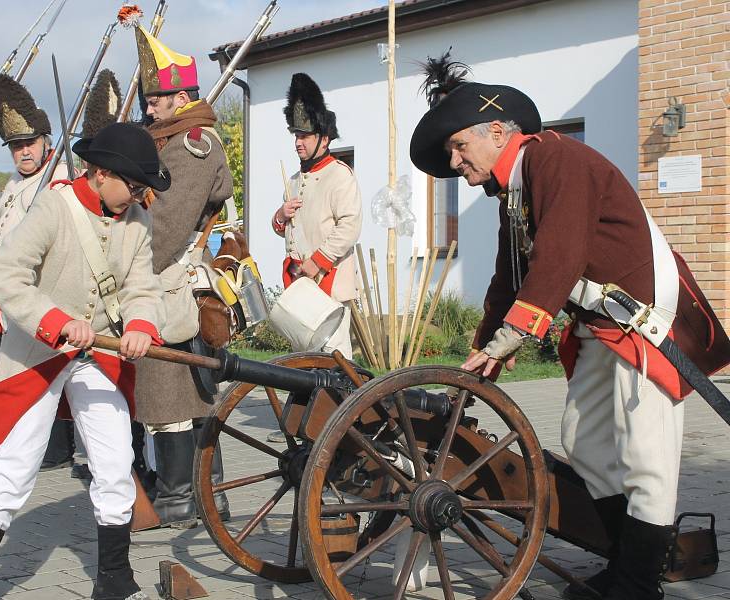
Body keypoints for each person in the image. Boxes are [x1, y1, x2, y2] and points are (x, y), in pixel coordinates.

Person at [409, 54, 730, 600]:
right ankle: (625, 566)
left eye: (460, 147)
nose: (457, 163)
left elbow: (560, 255)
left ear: (495, 131)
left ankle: (636, 584)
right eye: (451, 154)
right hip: (600, 327)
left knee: (644, 454)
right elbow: (509, 278)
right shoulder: (516, 191)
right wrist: (487, 347)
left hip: (644, 322)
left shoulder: (555, 161)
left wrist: (512, 338)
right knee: (585, 441)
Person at [0, 122, 168, 600]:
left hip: (100, 354)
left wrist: (140, 326)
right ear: (100, 172)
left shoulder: (138, 220)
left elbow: (142, 289)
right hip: (40, 351)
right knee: (15, 465)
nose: (136, 195)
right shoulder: (54, 206)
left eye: (140, 188)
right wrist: (56, 320)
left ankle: (114, 578)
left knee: (113, 462)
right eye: (131, 185)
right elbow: (6, 278)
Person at [130, 23, 232, 526]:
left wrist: (127, 271)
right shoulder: (168, 138)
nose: (150, 108)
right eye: (149, 100)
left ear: (183, 96)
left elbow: (167, 224)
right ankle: (198, 493)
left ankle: (182, 495)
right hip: (166, 279)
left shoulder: (192, 143)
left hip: (172, 280)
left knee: (171, 391)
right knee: (181, 392)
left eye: (157, 99)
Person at [0, 74, 74, 467]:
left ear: (46, 143)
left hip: (46, 296)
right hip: (13, 297)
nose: (23, 152)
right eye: (16, 146)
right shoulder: (13, 188)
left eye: (29, 144)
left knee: (49, 374)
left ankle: (58, 450)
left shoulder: (57, 184)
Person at [267, 73, 362, 443]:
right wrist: (280, 215)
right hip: (300, 282)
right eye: (295, 135)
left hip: (329, 281)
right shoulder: (295, 179)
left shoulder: (340, 176)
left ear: (323, 138)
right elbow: (285, 229)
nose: (297, 142)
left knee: (336, 355)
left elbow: (350, 227)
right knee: (305, 355)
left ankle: (347, 423)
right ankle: (309, 423)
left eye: (303, 136)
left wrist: (318, 261)